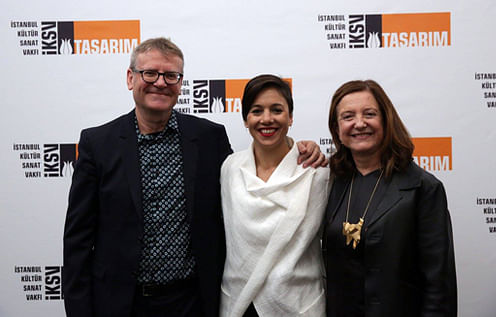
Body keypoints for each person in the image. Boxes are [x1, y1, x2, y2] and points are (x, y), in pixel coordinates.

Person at [63, 38, 324, 317]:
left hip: (193, 302)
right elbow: (78, 240)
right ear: (130, 78)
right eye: (149, 73)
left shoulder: (209, 138)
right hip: (120, 304)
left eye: (171, 75)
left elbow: (251, 177)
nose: (160, 82)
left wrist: (299, 149)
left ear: (180, 83)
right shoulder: (98, 143)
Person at [322, 79, 457, 317]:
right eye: (348, 116)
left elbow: (438, 285)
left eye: (370, 114)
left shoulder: (423, 188)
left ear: (386, 120)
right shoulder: (330, 183)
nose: (359, 123)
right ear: (336, 129)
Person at [219, 74, 329, 317]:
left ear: (290, 117)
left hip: (299, 304)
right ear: (245, 119)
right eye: (256, 111)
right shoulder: (230, 169)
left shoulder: (316, 172)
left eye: (276, 110)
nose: (266, 119)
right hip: (239, 303)